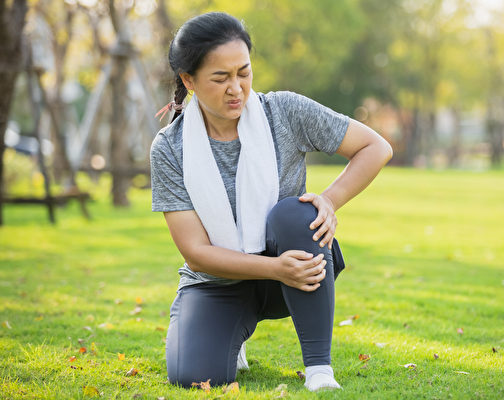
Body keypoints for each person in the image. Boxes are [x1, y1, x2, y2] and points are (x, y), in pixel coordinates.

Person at [150, 11, 392, 392]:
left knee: (295, 212)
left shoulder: (284, 111)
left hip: (294, 263)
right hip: (219, 281)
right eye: (220, 78)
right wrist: (275, 269)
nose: (236, 88)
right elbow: (196, 253)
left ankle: (319, 369)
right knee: (193, 376)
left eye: (243, 73)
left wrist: (329, 200)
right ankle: (232, 332)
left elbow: (375, 147)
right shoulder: (169, 148)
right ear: (188, 80)